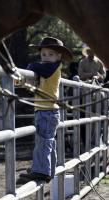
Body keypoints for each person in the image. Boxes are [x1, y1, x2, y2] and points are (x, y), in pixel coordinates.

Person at [20, 37, 72, 182]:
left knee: (44, 141)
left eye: (51, 54)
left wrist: (30, 67)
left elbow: (38, 68)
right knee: (46, 140)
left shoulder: (52, 67)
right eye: (43, 55)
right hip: (44, 109)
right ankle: (47, 168)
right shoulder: (45, 69)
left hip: (47, 110)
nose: (47, 58)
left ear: (59, 56)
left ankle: (41, 170)